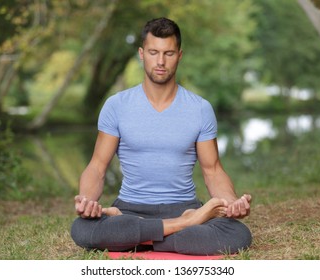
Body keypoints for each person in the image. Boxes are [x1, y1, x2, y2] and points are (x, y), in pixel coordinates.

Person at [71, 17, 252, 255]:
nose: (160, 61)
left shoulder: (200, 109)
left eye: (168, 53)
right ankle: (182, 226)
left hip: (183, 206)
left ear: (179, 55)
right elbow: (97, 167)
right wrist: (87, 201)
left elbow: (213, 170)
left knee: (238, 234)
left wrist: (230, 203)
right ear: (141, 53)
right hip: (130, 209)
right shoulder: (116, 106)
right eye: (153, 52)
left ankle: (136, 237)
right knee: (82, 229)